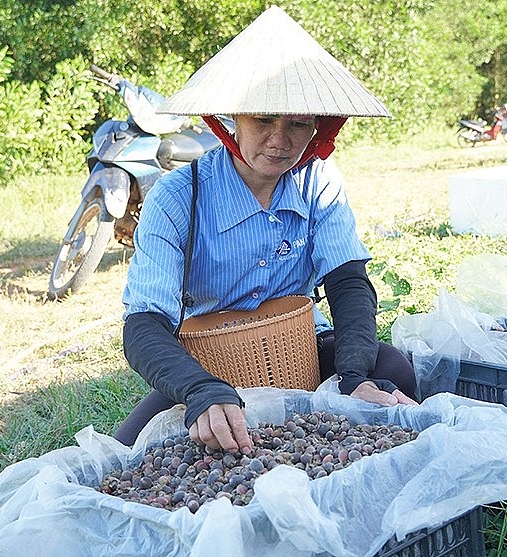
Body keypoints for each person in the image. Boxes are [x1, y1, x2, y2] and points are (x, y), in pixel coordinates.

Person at [114, 6, 418, 451]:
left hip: (301, 347)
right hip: (210, 360)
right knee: (130, 447)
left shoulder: (317, 181)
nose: (280, 140)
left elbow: (348, 282)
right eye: (263, 119)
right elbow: (144, 323)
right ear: (231, 120)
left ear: (317, 128)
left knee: (392, 371)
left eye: (297, 123)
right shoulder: (178, 196)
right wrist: (200, 390)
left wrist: (353, 377)